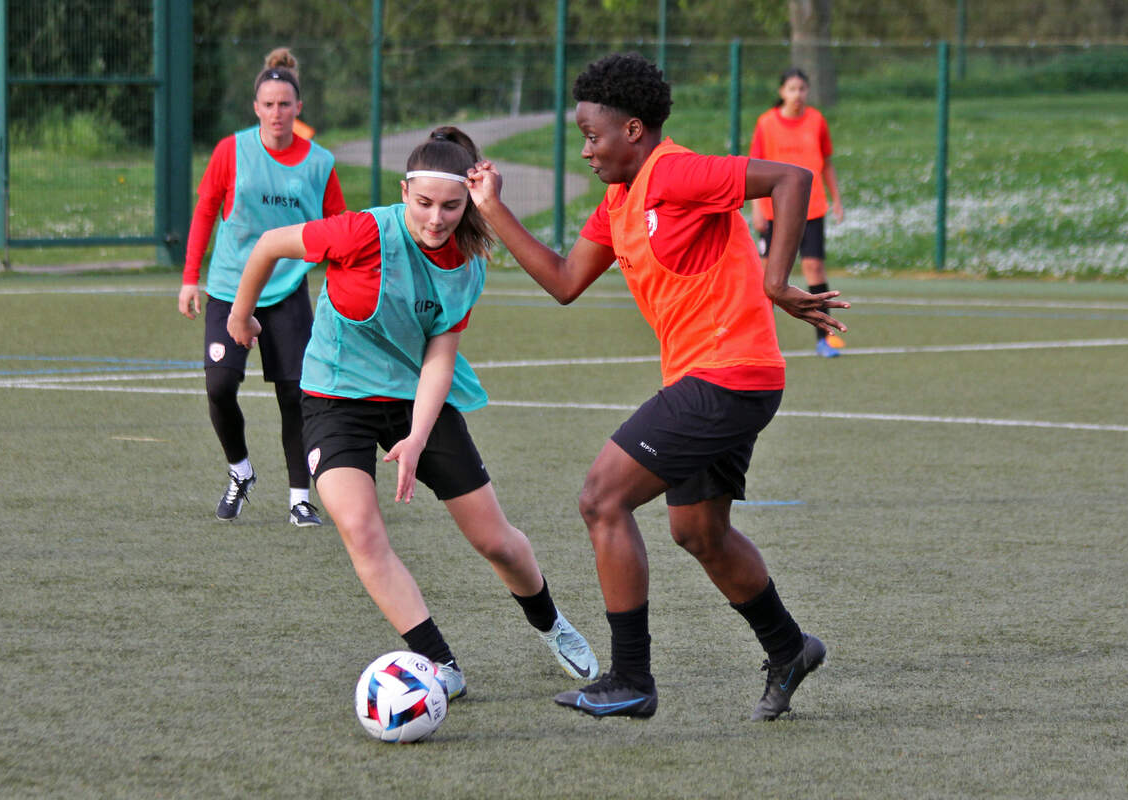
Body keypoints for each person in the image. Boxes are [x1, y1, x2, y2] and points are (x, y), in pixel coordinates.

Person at [467, 52, 848, 720]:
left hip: (728, 374)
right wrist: (491, 209)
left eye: (594, 135)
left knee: (600, 498)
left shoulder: (674, 170)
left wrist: (776, 281)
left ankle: (631, 678)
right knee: (698, 532)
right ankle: (789, 648)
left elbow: (791, 178)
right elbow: (563, 281)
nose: (586, 150)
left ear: (635, 130)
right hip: (715, 378)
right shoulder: (619, 201)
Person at [225, 126, 599, 699]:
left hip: (412, 400)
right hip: (334, 398)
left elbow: (438, 362)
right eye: (423, 203)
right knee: (360, 530)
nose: (436, 218)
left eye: (451, 206)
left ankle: (551, 624)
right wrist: (240, 316)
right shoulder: (363, 231)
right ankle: (440, 665)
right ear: (404, 193)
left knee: (495, 539)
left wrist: (418, 438)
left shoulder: (467, 263)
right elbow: (271, 243)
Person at [178, 48, 346, 525]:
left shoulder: (319, 162)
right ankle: (240, 471)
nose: (277, 113)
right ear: (256, 108)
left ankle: (299, 499)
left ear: (299, 107)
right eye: (268, 104)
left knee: (295, 395)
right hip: (231, 288)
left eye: (285, 104)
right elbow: (206, 211)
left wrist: (344, 288)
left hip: (288, 292)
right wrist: (191, 279)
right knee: (220, 386)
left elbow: (338, 228)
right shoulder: (231, 151)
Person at [750, 67, 846, 357]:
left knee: (814, 268)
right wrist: (757, 209)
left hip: (812, 208)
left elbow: (826, 162)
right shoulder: (766, 123)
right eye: (791, 89)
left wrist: (837, 199)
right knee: (768, 276)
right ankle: (757, 342)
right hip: (775, 210)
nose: (797, 95)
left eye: (802, 89)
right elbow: (754, 166)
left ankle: (824, 338)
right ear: (782, 92)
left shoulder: (817, 121)